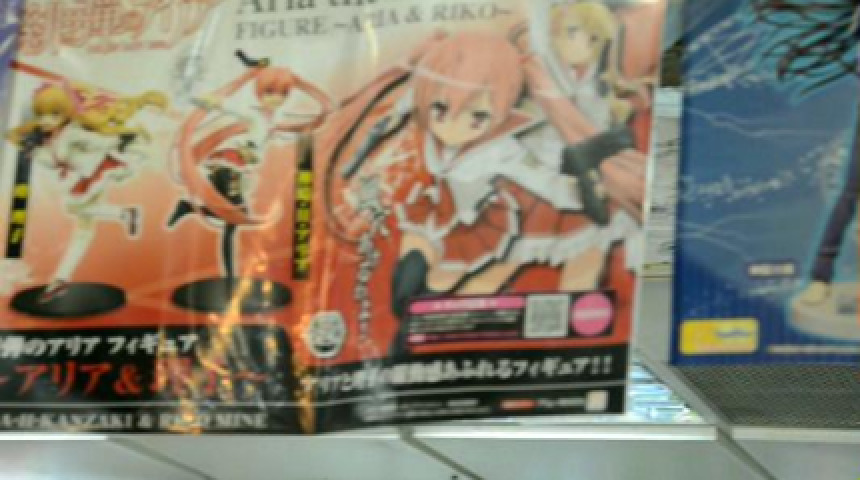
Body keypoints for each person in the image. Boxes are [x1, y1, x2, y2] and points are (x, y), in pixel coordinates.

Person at [7, 83, 165, 301]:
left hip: (96, 171)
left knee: (73, 206)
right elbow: (53, 160)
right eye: (42, 115)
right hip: (81, 177)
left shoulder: (73, 132)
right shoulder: (47, 137)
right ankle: (60, 280)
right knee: (83, 230)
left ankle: (124, 214)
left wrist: (121, 137)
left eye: (54, 115)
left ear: (66, 114)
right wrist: (33, 148)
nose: (46, 120)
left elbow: (103, 142)